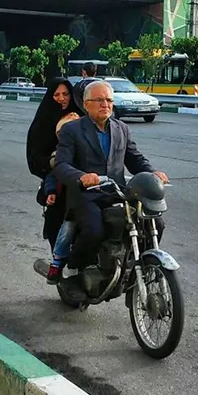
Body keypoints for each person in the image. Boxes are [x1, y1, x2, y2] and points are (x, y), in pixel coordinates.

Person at [54, 80, 169, 292]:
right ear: (86, 104)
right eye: (99, 100)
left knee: (155, 223)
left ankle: (138, 265)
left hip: (117, 193)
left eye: (108, 100)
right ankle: (74, 268)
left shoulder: (121, 128)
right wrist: (81, 176)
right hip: (85, 195)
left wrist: (152, 172)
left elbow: (134, 158)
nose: (105, 104)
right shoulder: (72, 130)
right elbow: (61, 165)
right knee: (94, 230)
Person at [26, 77, 84, 251]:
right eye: (56, 94)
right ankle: (59, 267)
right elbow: (34, 160)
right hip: (58, 183)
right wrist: (55, 162)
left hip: (85, 181)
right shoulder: (42, 124)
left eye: (66, 94)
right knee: (58, 228)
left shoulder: (80, 117)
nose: (62, 98)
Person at [43, 112, 81, 284]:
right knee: (67, 228)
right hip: (69, 203)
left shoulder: (89, 150)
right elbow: (53, 175)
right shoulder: (59, 156)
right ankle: (58, 261)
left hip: (92, 197)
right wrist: (51, 192)